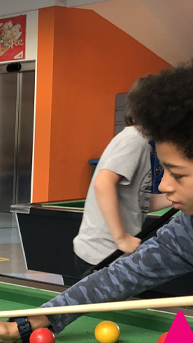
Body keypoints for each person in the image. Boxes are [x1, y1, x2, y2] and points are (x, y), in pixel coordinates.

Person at [0, 59, 193, 343]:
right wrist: (22, 326)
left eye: (178, 175)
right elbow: (115, 279)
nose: (164, 184)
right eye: (165, 169)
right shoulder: (189, 232)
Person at [67, 98, 173, 283]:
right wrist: (121, 238)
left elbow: (141, 202)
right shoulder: (134, 141)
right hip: (103, 256)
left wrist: (178, 197)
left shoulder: (138, 142)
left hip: (111, 256)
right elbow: (103, 183)